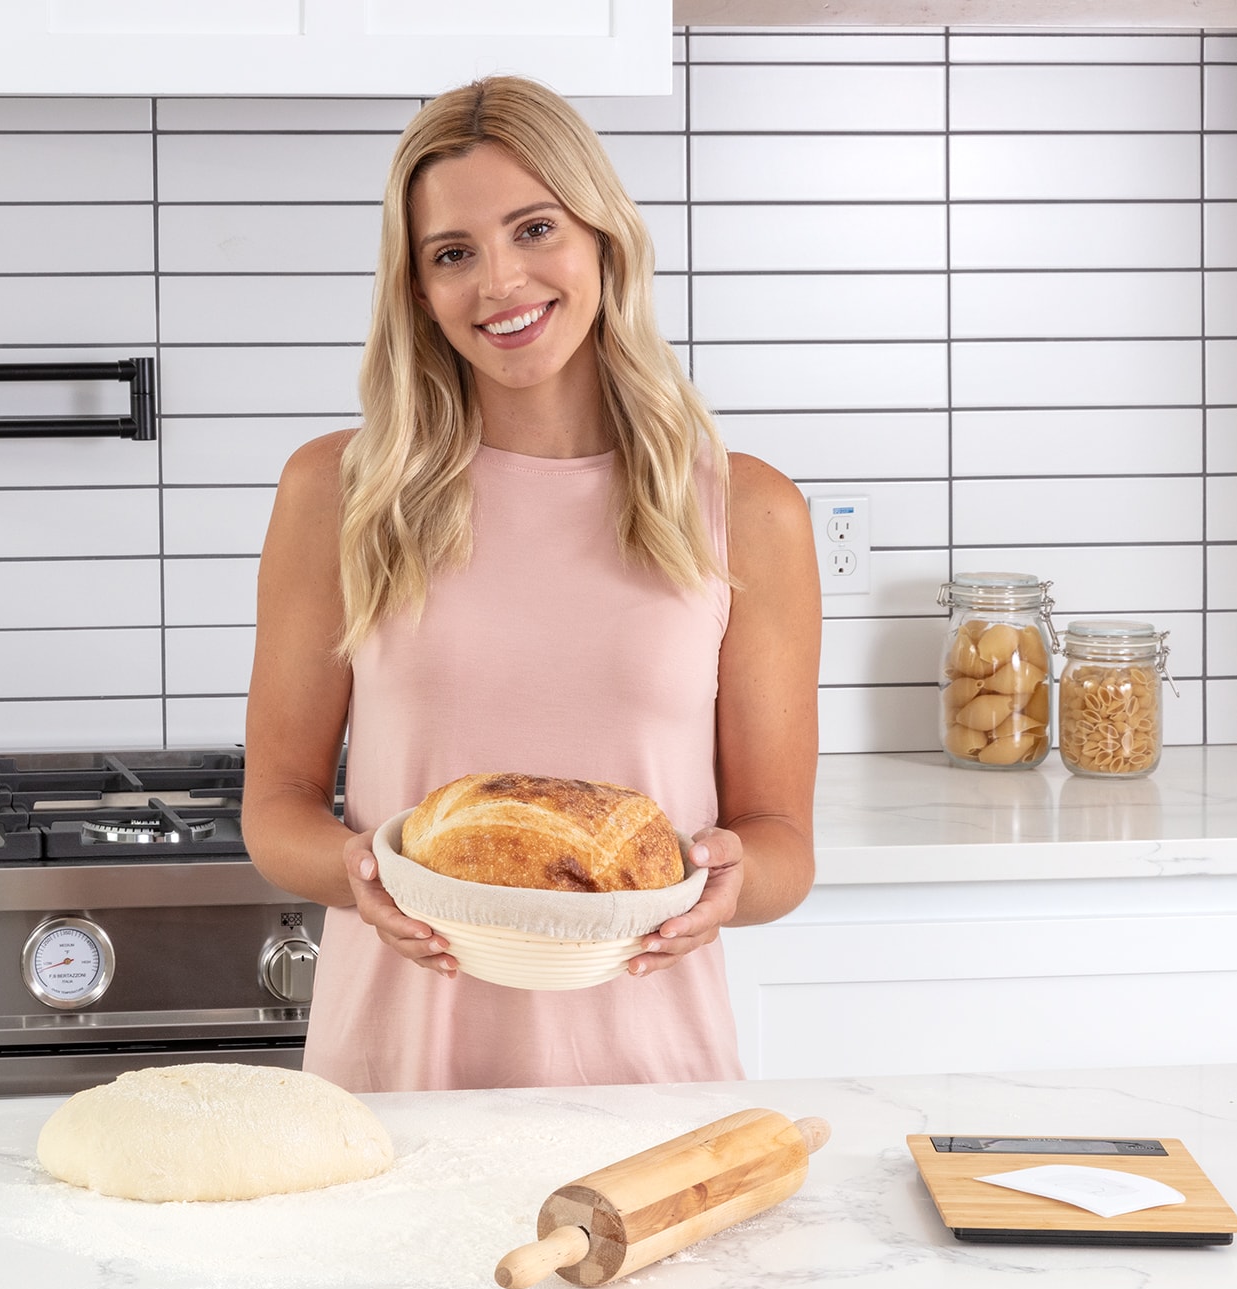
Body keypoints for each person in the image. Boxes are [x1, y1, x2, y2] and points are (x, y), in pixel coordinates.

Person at [243, 75, 820, 1093]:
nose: (500, 282)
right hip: (398, 1084)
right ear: (418, 291)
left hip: (650, 1082)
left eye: (535, 229)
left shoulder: (748, 509)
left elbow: (780, 843)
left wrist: (732, 881)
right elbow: (278, 808)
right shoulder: (339, 492)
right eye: (452, 254)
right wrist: (361, 874)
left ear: (603, 237)